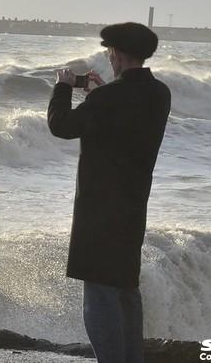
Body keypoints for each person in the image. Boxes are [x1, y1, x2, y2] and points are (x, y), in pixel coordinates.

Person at [47, 22, 171, 363]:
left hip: (99, 210)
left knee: (99, 297)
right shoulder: (160, 94)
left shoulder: (108, 99)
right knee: (126, 292)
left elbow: (62, 126)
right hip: (133, 206)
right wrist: (98, 96)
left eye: (109, 51)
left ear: (116, 53)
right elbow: (121, 120)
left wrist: (62, 87)